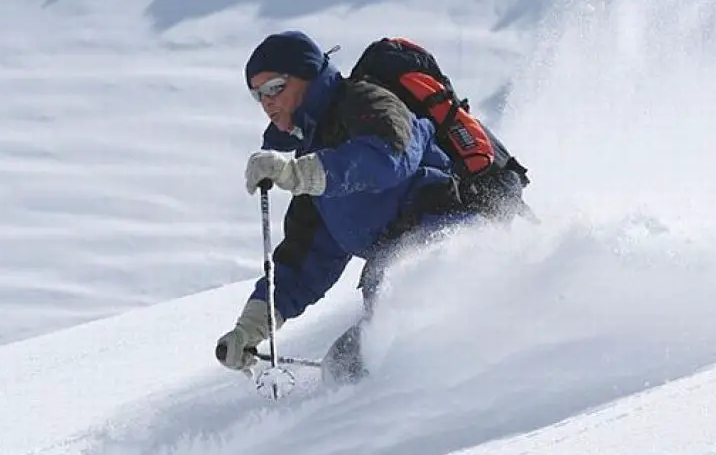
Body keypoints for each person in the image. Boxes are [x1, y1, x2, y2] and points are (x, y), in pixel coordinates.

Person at [214, 30, 524, 382]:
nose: (267, 102)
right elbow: (301, 265)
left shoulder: (367, 102)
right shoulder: (314, 166)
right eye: (258, 95)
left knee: (384, 356)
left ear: (308, 75)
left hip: (457, 243)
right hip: (401, 279)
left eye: (275, 88)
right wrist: (249, 329)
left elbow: (388, 157)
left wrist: (295, 173)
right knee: (342, 369)